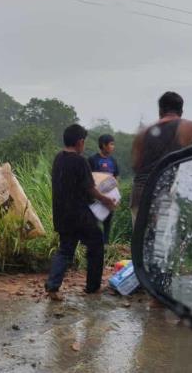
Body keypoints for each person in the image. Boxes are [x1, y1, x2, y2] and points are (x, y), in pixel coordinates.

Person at [45, 124, 118, 301]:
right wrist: (106, 200)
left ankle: (53, 287)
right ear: (80, 142)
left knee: (65, 249)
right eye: (84, 142)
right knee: (96, 244)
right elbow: (90, 188)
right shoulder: (80, 161)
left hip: (62, 213)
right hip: (79, 214)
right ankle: (92, 287)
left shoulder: (58, 159)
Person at [131, 91, 192, 226]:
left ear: (160, 110)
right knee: (159, 244)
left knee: (140, 243)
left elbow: (135, 165)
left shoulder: (143, 133)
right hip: (162, 196)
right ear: (181, 111)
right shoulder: (187, 127)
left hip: (139, 197)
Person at [88, 134, 119, 245]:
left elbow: (115, 178)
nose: (113, 146)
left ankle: (106, 246)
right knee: (93, 222)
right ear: (103, 145)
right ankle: (92, 244)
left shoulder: (113, 161)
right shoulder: (92, 160)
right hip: (95, 198)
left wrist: (116, 196)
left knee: (108, 223)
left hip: (109, 198)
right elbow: (89, 178)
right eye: (111, 144)